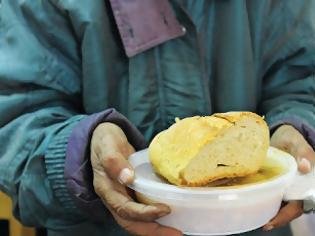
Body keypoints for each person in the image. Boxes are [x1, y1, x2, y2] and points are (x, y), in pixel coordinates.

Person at [0, 0, 314, 235]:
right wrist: (79, 158)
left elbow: (302, 78)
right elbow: (15, 122)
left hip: (256, 226)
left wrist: (299, 130)